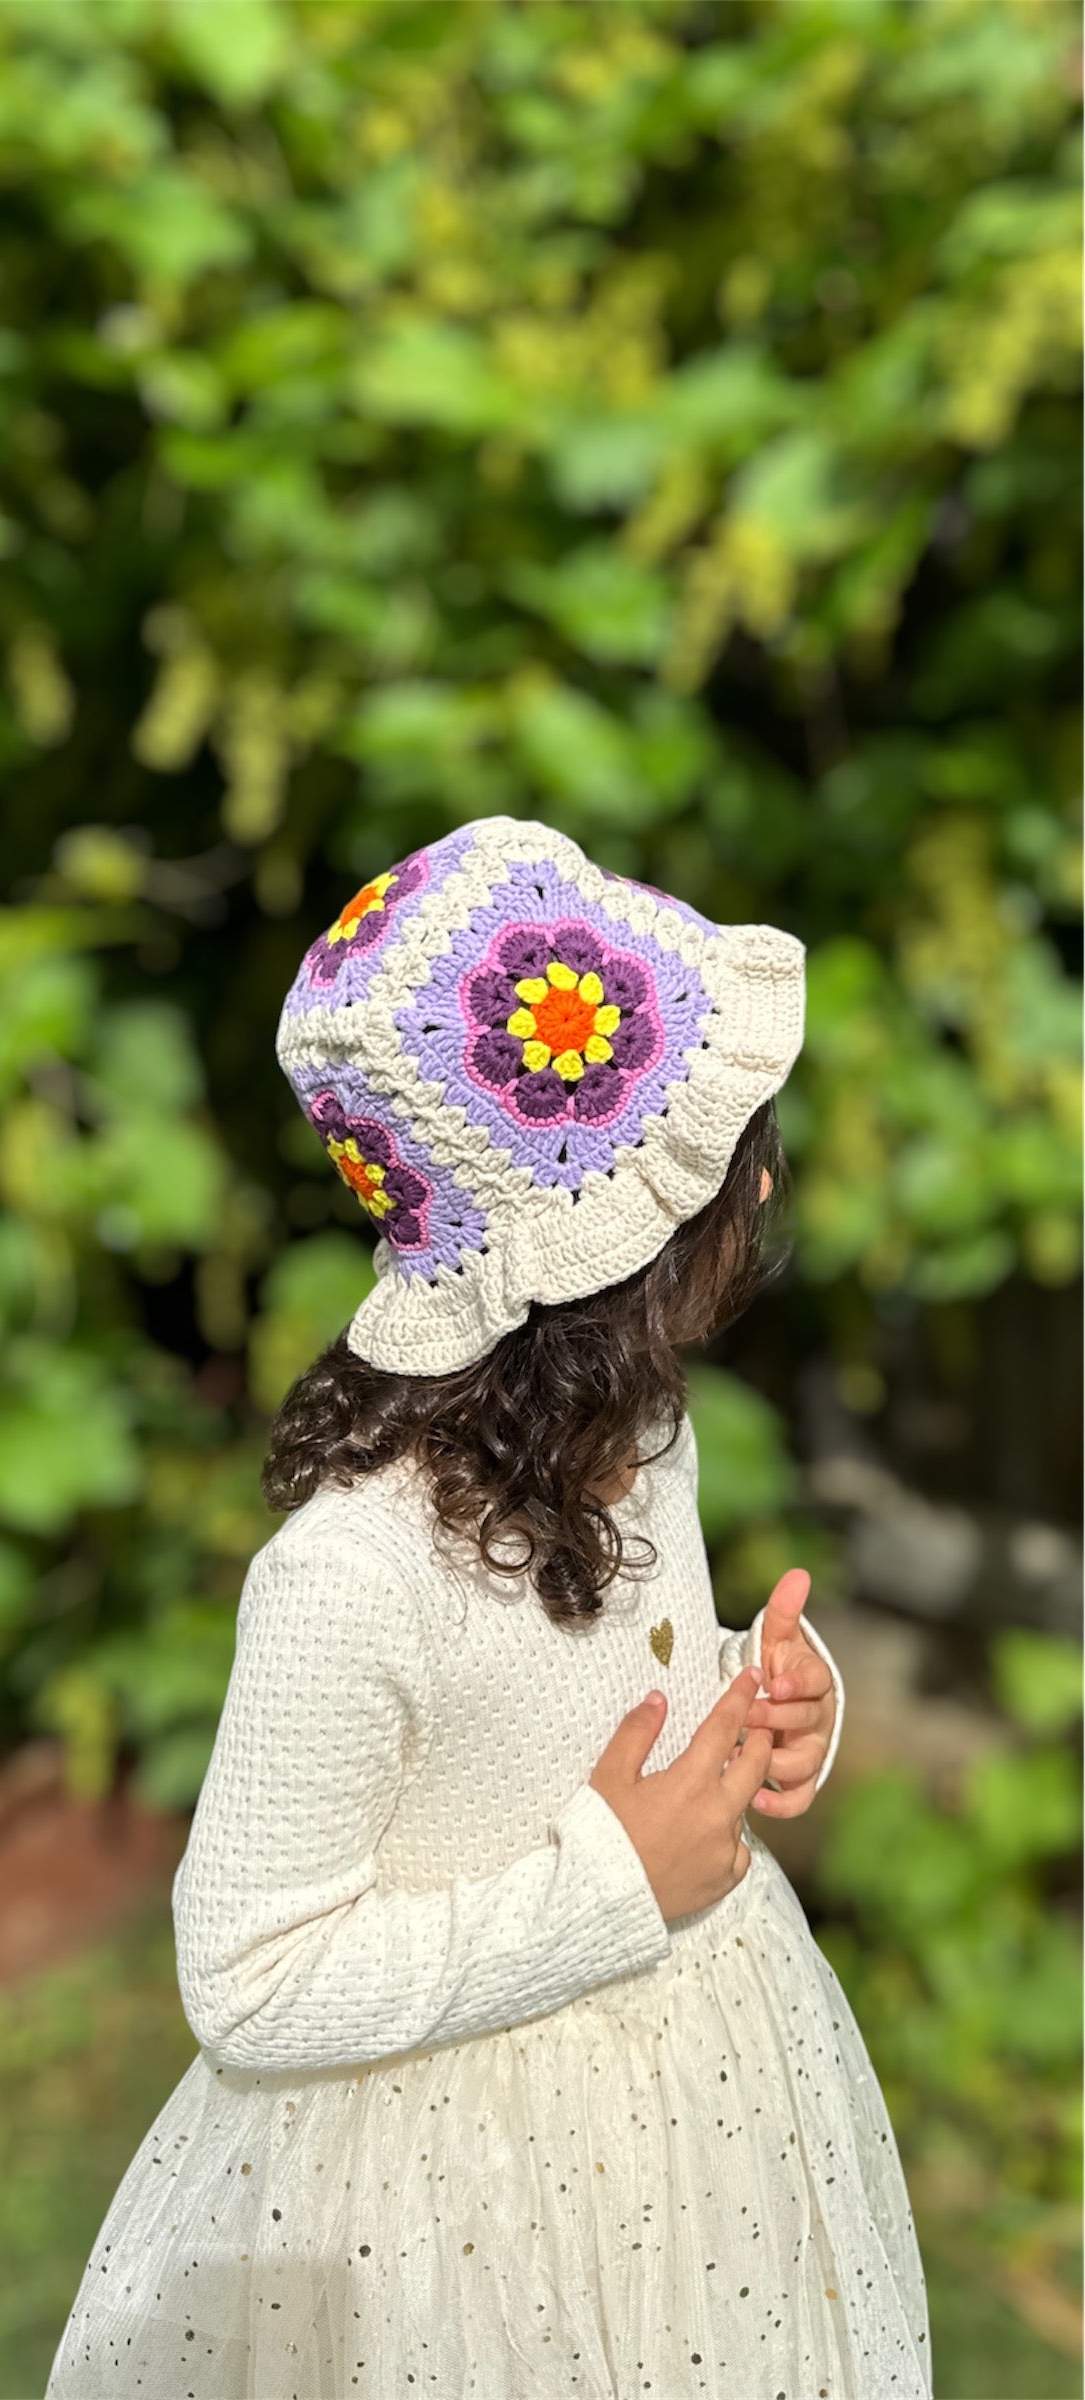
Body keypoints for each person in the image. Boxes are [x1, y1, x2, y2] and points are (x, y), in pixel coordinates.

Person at [45, 815, 932, 2400]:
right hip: (447, 2193)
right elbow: (248, 1980)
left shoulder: (641, 1441)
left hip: (698, 2099)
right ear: (603, 1231)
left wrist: (758, 1697)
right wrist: (613, 1883)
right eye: (733, 1152)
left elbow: (616, 1698)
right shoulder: (352, 1573)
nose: (769, 1174)